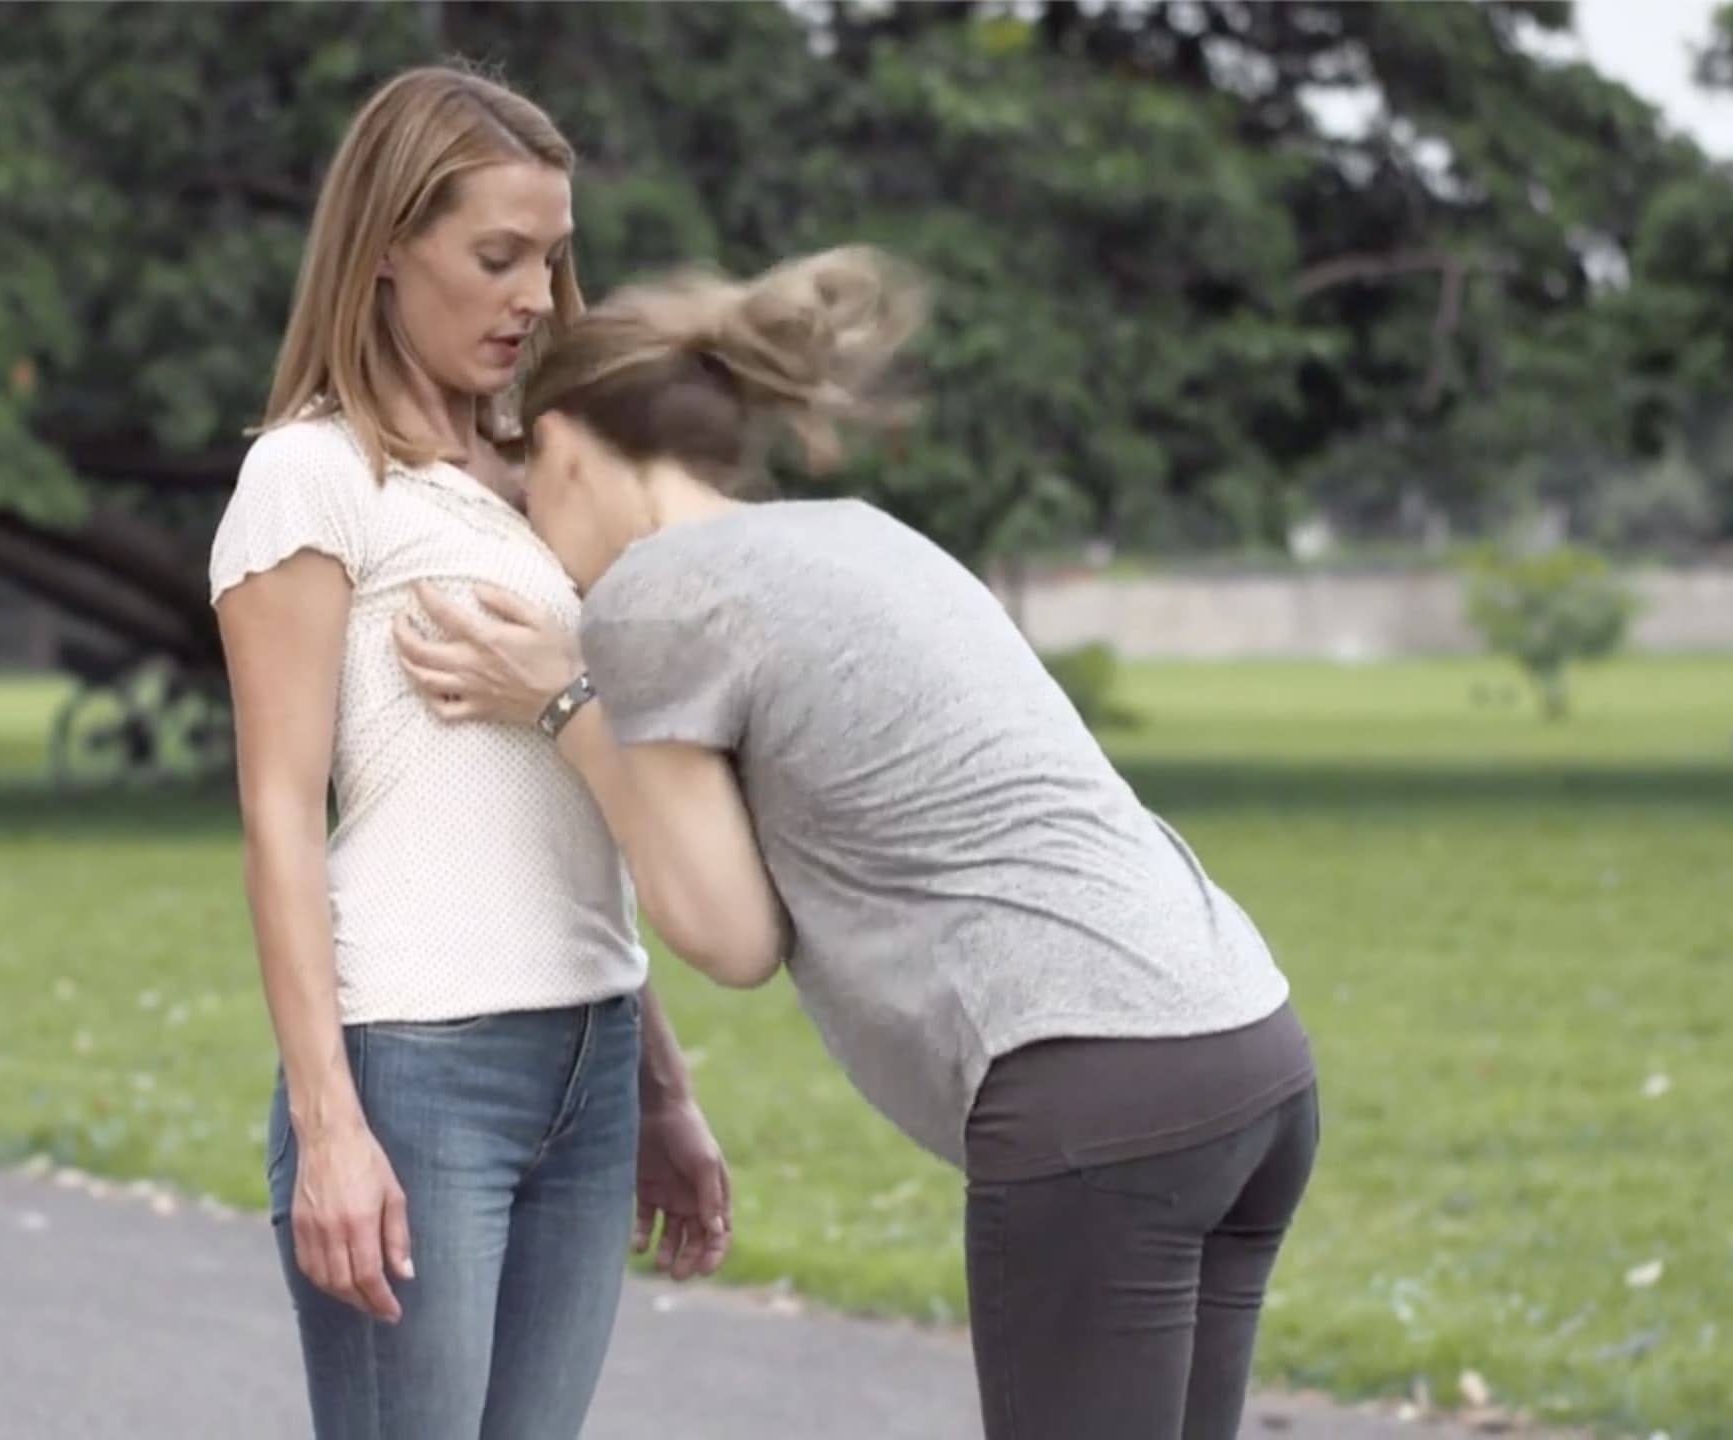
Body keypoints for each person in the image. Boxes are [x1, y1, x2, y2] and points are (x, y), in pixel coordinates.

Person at [391, 245, 1321, 1440]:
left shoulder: (652, 595)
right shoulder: (852, 534)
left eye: (521, 483)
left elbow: (728, 936)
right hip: (1247, 1050)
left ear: (561, 441)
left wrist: (566, 704)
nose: (529, 525)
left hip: (1096, 1081)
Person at [206, 66, 731, 1440]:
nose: (536, 298)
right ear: (388, 249)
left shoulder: (544, 477)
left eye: (551, 260)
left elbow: (579, 806)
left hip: (592, 1061)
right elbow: (278, 817)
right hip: (416, 1072)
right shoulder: (313, 476)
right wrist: (331, 1127)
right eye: (497, 258)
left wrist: (661, 1090)